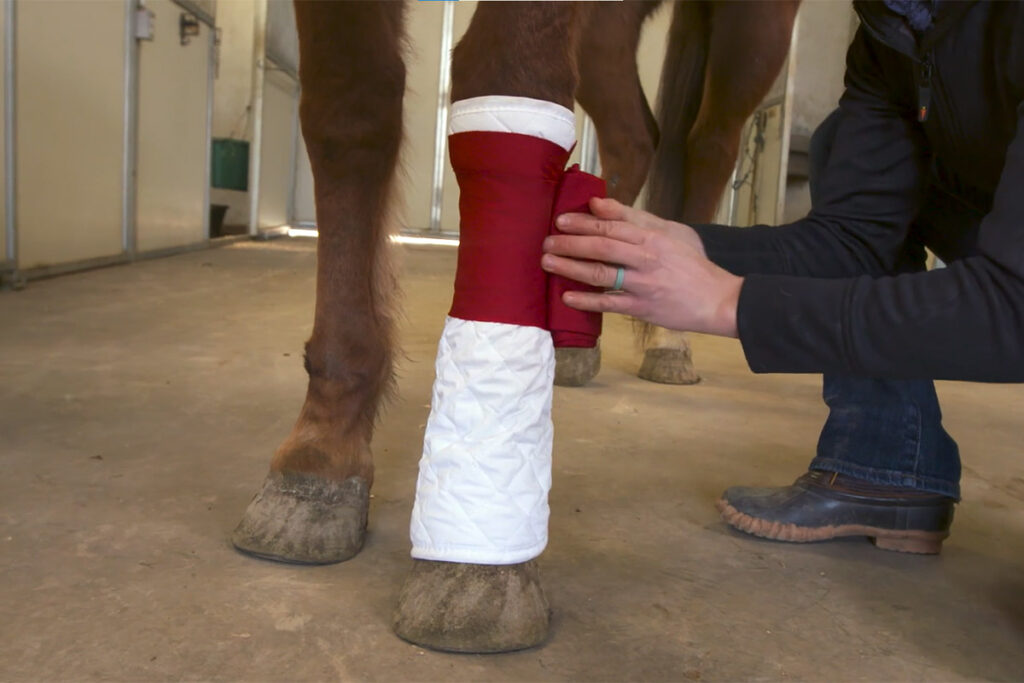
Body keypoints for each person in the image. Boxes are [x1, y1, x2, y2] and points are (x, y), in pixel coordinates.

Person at [540, 0, 1023, 554]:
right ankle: (887, 465)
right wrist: (691, 243)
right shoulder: (889, 30)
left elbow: (1014, 305)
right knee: (842, 140)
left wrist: (729, 302)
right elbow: (854, 240)